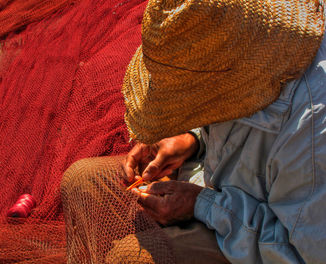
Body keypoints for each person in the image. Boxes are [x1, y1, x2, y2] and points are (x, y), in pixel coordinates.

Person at [60, 0, 326, 263]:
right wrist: (192, 138)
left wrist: (203, 205)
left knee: (130, 259)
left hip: (257, 239)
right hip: (220, 189)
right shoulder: (236, 45)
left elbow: (301, 255)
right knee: (84, 182)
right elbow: (221, 108)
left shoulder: (311, 127)